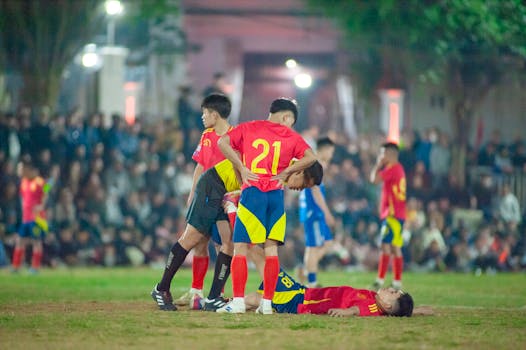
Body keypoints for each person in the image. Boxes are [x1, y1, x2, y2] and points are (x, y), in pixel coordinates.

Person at [151, 158, 323, 311]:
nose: (301, 189)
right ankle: (161, 288)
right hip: (216, 182)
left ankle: (213, 297)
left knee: (230, 243)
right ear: (300, 170)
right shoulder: (279, 162)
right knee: (193, 237)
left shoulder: (284, 177)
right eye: (305, 183)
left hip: (228, 191)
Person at [217, 98, 317, 314]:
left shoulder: (250, 127)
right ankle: (267, 304)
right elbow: (311, 157)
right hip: (275, 196)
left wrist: (242, 167)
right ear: (287, 117)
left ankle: (238, 302)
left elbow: (222, 143)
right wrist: (286, 173)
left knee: (241, 249)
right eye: (291, 122)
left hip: (253, 192)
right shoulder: (291, 136)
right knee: (271, 251)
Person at [173, 93, 234, 308]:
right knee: (199, 244)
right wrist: (193, 193)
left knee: (223, 245)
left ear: (215, 114)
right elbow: (200, 165)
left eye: (205, 113)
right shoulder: (206, 135)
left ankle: (218, 294)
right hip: (204, 196)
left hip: (224, 198)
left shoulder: (236, 137)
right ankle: (196, 292)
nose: (202, 117)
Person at [244, 269, 419, 317]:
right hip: (304, 292)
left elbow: (358, 310)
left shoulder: (372, 306)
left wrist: (346, 312)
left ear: (387, 305)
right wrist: (414, 311)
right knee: (268, 266)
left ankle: (231, 302)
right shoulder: (376, 301)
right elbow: (398, 311)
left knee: (256, 296)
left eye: (393, 292)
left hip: (300, 301)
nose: (390, 288)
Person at [299, 136, 336, 287]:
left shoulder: (313, 162)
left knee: (326, 243)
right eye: (331, 151)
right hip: (313, 211)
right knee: (314, 247)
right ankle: (311, 282)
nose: (331, 155)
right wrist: (327, 213)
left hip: (310, 210)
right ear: (325, 150)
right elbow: (315, 190)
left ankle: (306, 271)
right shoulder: (316, 164)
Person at [370, 142, 407, 290]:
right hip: (398, 214)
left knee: (385, 245)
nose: (381, 156)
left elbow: (373, 180)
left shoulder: (393, 169)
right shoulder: (398, 169)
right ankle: (397, 281)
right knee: (394, 246)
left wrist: (377, 165)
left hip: (392, 215)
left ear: (391, 155)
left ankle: (380, 279)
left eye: (382, 153)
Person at [11, 159, 50, 273]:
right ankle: (16, 266)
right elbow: (24, 198)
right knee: (20, 241)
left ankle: (35, 267)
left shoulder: (39, 181)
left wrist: (42, 205)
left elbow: (47, 190)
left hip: (37, 218)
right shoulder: (23, 182)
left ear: (27, 169)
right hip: (26, 218)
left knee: (36, 241)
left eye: (20, 169)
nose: (19, 171)